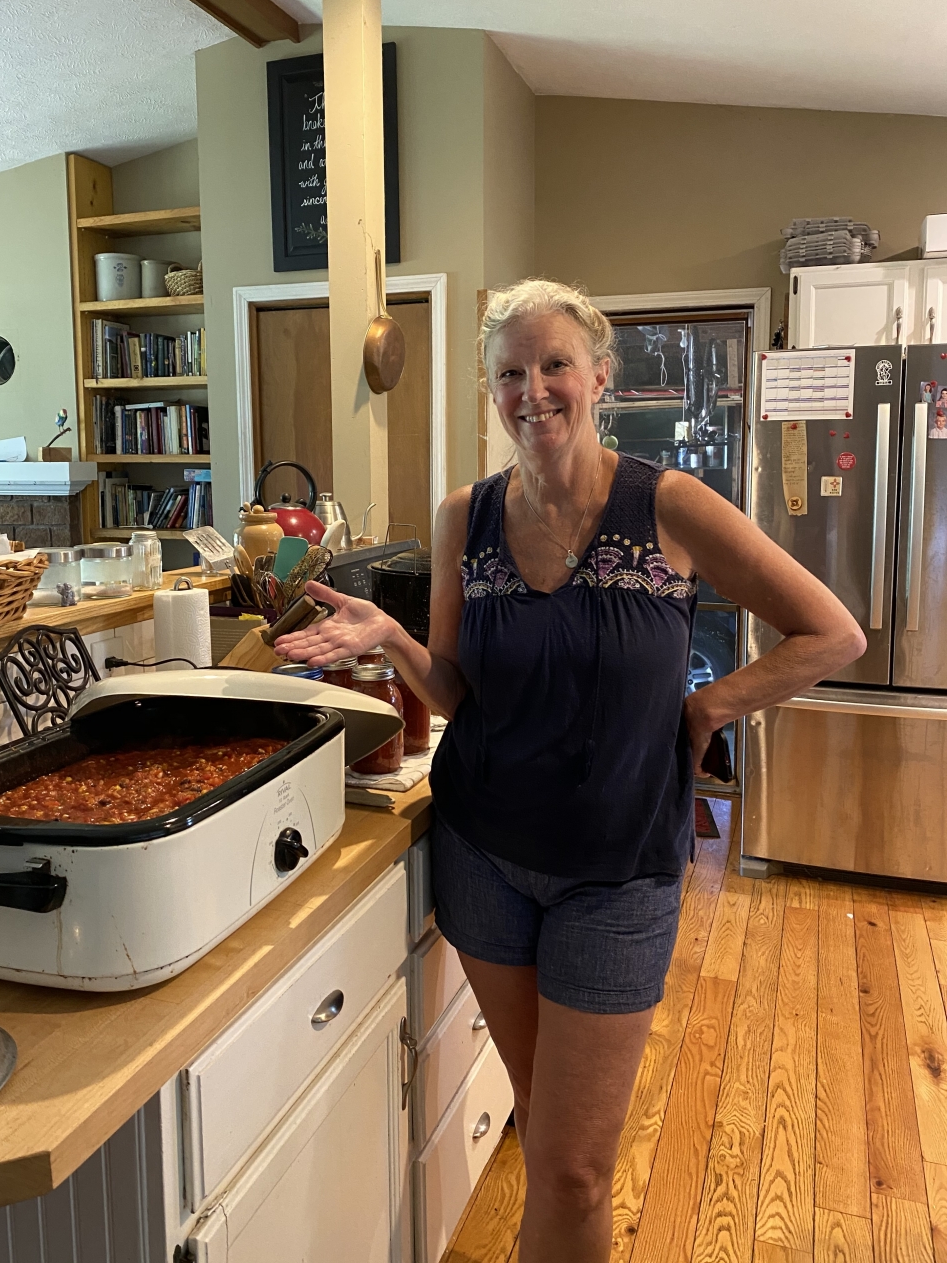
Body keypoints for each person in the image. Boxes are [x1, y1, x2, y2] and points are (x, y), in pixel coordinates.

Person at [274, 279, 864, 1262]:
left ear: (599, 377)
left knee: (575, 1167)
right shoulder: (465, 516)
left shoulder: (667, 505)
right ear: (490, 390)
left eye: (554, 365)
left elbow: (831, 632)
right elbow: (456, 689)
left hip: (618, 871)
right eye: (510, 372)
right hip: (484, 859)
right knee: (546, 1133)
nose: (533, 390)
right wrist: (391, 637)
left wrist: (708, 708)